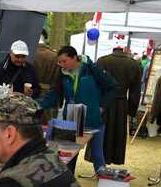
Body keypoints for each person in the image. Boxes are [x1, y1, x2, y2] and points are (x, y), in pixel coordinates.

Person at [41, 46, 118, 174]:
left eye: (64, 61)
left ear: (74, 58)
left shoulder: (91, 69)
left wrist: (102, 106)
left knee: (98, 155)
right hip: (72, 117)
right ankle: (68, 186)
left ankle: (103, 179)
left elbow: (113, 87)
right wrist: (39, 106)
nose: (61, 65)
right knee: (68, 157)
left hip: (93, 117)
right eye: (59, 62)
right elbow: (54, 93)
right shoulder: (62, 74)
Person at [97, 46, 142, 165]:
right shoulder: (134, 64)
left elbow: (96, 84)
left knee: (102, 133)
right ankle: (112, 159)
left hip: (104, 102)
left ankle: (99, 162)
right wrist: (132, 110)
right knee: (117, 134)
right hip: (121, 104)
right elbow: (135, 91)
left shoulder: (102, 61)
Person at [34, 29, 59, 100]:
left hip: (31, 95)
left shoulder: (28, 54)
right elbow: (57, 81)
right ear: (45, 38)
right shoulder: (55, 55)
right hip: (50, 96)